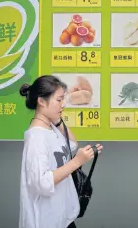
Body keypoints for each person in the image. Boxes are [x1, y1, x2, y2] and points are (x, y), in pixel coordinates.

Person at [18, 75, 103, 228]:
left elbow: (71, 144)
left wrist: (57, 120)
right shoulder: (36, 137)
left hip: (63, 219)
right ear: (41, 101)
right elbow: (42, 183)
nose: (63, 104)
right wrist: (77, 161)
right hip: (46, 221)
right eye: (58, 100)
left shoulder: (51, 128)